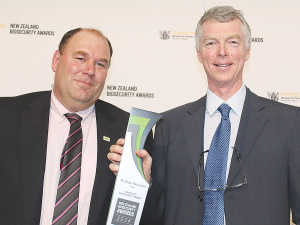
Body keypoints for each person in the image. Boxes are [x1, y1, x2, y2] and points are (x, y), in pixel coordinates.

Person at [108, 6, 300, 225]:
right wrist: (143, 181)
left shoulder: (289, 123)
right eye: (211, 43)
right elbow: (156, 215)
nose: (222, 52)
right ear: (199, 53)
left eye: (233, 42)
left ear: (247, 51)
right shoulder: (168, 125)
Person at [0, 28, 152, 225]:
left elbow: (148, 218)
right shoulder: (6, 117)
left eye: (100, 64)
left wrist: (142, 185)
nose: (89, 70)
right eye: (80, 58)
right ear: (56, 61)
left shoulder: (131, 131)